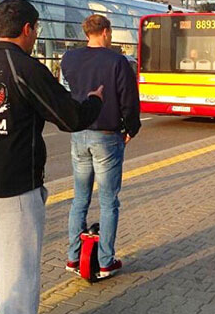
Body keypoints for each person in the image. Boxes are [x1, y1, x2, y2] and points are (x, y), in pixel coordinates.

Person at [0, 1, 103, 313]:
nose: (35, 37)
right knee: (18, 271)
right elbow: (70, 117)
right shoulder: (27, 69)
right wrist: (94, 102)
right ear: (28, 29)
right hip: (16, 189)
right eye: (37, 31)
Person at [61, 14, 141, 279]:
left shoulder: (69, 59)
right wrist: (131, 128)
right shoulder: (117, 61)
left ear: (87, 33)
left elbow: (66, 91)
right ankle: (106, 260)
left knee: (79, 198)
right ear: (105, 32)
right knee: (108, 201)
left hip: (79, 135)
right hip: (107, 137)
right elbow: (129, 99)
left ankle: (73, 258)